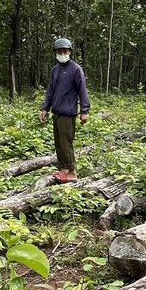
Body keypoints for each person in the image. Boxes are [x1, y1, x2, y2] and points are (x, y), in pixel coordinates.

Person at [40, 38, 90, 184]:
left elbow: (82, 90)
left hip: (68, 113)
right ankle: (63, 169)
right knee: (59, 143)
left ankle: (72, 172)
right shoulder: (55, 70)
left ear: (70, 52)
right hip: (56, 112)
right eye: (59, 51)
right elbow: (50, 91)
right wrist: (45, 109)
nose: (62, 53)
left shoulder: (75, 69)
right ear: (55, 52)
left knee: (66, 143)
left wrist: (84, 111)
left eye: (65, 51)